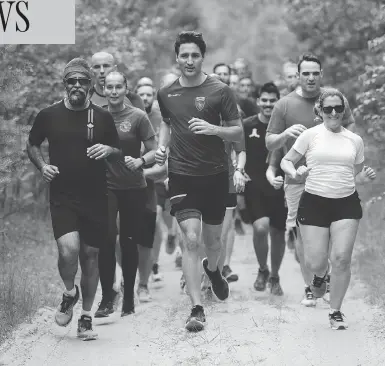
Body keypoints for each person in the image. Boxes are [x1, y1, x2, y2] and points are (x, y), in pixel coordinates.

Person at [26, 58, 121, 340]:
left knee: (90, 256)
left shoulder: (102, 118)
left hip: (95, 197)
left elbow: (117, 150)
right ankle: (70, 292)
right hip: (62, 195)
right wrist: (42, 166)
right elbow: (32, 144)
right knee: (68, 251)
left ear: (91, 86)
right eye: (72, 81)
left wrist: (107, 149)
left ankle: (86, 317)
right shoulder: (48, 115)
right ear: (64, 84)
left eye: (82, 81)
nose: (77, 86)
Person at [155, 31, 243, 332]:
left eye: (195, 55)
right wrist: (162, 146)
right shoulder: (166, 93)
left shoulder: (220, 90)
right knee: (191, 239)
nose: (189, 60)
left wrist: (212, 128)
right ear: (177, 57)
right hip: (181, 174)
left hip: (215, 175)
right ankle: (196, 308)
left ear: (202, 57)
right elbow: (167, 123)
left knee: (213, 241)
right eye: (184, 55)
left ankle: (214, 270)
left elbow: (237, 133)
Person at [280, 88, 376, 329]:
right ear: (320, 111)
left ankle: (335, 311)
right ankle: (319, 276)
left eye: (338, 108)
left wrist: (363, 178)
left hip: (346, 202)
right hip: (314, 202)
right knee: (315, 261)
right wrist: (295, 171)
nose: (334, 112)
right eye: (328, 109)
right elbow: (286, 161)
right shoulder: (310, 136)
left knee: (342, 258)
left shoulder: (355, 140)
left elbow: (355, 175)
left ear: (344, 111)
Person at [266, 53, 356, 307]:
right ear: (298, 75)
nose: (311, 77)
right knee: (303, 236)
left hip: (332, 178)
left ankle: (324, 277)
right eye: (305, 73)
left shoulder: (333, 100)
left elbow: (351, 133)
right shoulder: (284, 105)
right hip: (296, 181)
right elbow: (269, 141)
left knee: (329, 233)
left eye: (315, 72)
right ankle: (311, 284)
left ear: (321, 74)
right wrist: (284, 134)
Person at [94, 71, 157, 317]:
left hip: (133, 187)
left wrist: (141, 161)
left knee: (129, 242)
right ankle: (108, 296)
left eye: (118, 87)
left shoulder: (138, 116)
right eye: (109, 87)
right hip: (105, 186)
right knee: (107, 238)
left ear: (125, 89)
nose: (113, 91)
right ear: (104, 89)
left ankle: (129, 296)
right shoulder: (96, 116)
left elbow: (154, 150)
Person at [243, 82, 288, 295]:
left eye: (273, 100)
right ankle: (262, 268)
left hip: (281, 185)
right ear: (258, 101)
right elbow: (237, 151)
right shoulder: (247, 125)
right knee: (260, 228)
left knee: (278, 232)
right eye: (265, 100)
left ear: (278, 102)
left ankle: (275, 276)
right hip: (255, 186)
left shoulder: (285, 127)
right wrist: (238, 169)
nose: (268, 104)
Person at [136, 81, 169, 283]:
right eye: (142, 95)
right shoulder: (130, 115)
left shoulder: (161, 118)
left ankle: (154, 263)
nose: (145, 98)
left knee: (156, 220)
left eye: (149, 95)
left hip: (158, 174)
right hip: (134, 175)